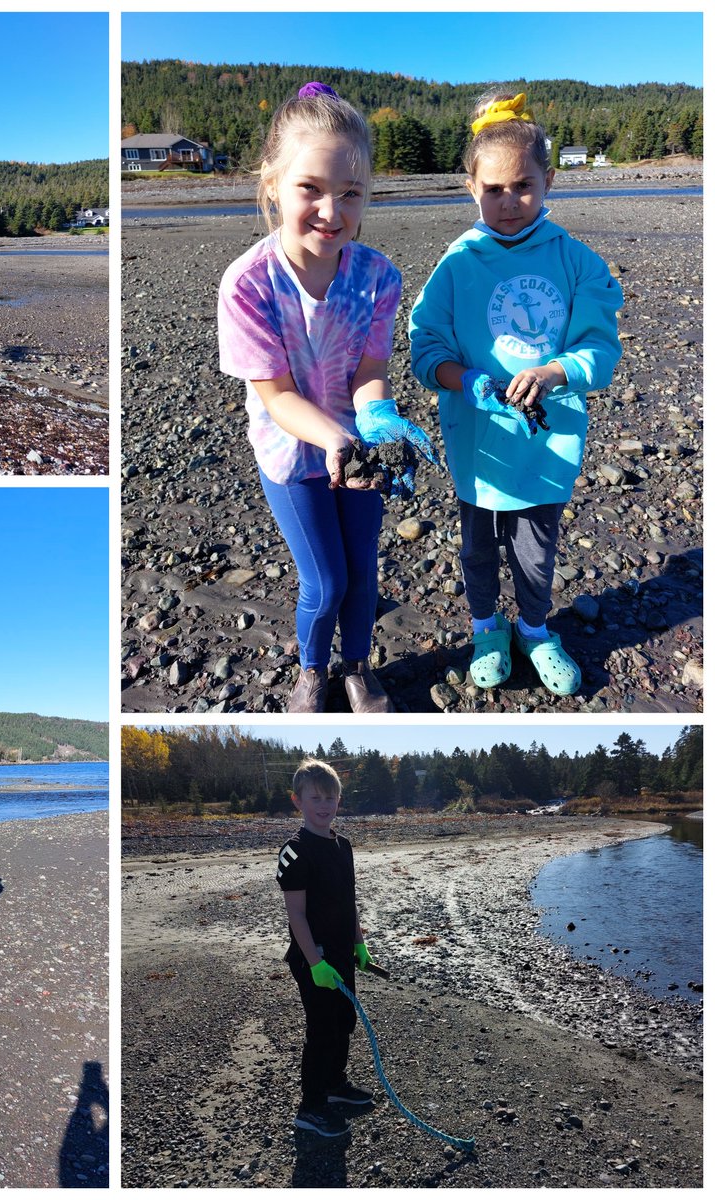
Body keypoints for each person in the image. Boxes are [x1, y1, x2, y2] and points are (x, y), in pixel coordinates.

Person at [218, 82, 437, 714]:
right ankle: (312, 672)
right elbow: (277, 395)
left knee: (363, 571)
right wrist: (333, 437)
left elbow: (370, 368)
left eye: (350, 193)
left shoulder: (378, 276)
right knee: (326, 579)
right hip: (290, 451)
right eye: (310, 188)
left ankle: (358, 668)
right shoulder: (248, 285)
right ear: (272, 185)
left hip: (359, 445)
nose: (330, 210)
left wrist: (377, 414)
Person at [409, 90, 623, 697]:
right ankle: (486, 628)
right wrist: (464, 380)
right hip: (477, 442)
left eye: (524, 186)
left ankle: (533, 629)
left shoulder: (577, 262)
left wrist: (556, 371)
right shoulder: (456, 264)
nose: (509, 202)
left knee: (535, 549)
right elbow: (425, 346)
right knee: (477, 548)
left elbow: (600, 348)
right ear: (471, 188)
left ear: (548, 181)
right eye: (494, 189)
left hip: (546, 442)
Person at [276, 756, 374, 1138]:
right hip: (312, 958)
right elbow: (296, 914)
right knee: (321, 1029)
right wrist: (315, 962)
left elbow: (349, 901)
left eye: (330, 798)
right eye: (315, 798)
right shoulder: (295, 851)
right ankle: (311, 1106)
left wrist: (359, 943)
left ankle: (335, 1084)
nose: (324, 805)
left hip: (341, 953)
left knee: (343, 1021)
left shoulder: (343, 846)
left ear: (339, 801)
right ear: (297, 800)